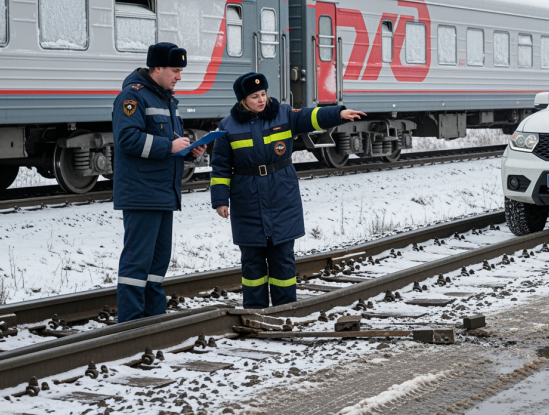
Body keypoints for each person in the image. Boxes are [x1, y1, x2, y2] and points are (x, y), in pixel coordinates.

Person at [210, 73, 365, 309]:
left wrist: (338, 113)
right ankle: (255, 311)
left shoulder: (282, 114)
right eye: (255, 96)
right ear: (243, 100)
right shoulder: (227, 126)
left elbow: (310, 116)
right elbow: (220, 167)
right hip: (247, 199)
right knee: (252, 262)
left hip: (281, 194)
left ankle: (285, 311)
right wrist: (220, 200)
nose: (262, 100)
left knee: (282, 258)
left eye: (263, 94)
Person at [112, 42, 207, 322]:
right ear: (157, 69)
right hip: (142, 192)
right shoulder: (133, 97)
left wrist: (189, 149)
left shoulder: (165, 99)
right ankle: (130, 323)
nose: (179, 76)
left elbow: (169, 143)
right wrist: (170, 146)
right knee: (137, 261)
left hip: (163, 192)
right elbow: (126, 139)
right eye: (175, 70)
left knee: (157, 262)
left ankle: (154, 319)